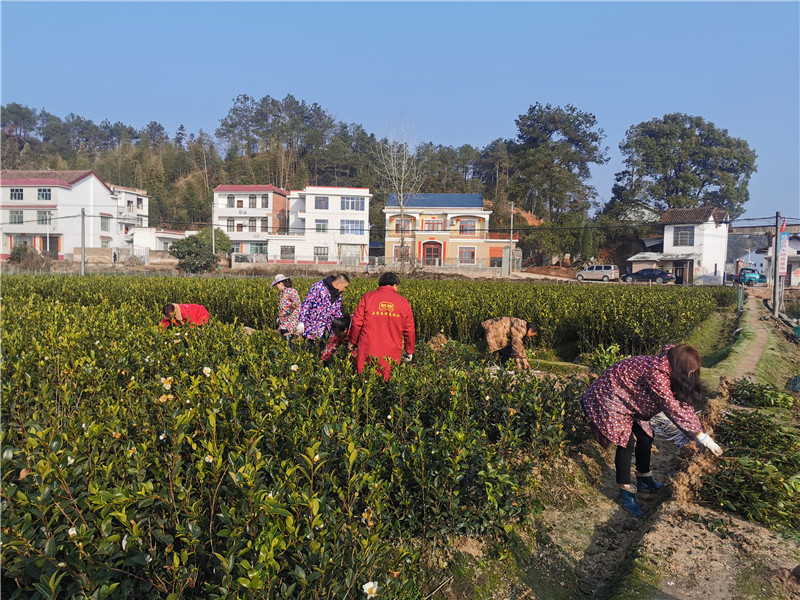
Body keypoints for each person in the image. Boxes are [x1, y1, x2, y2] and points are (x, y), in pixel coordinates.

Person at [581, 344, 723, 517]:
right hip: (610, 396)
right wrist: (699, 435)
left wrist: (701, 434)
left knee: (646, 436)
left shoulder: (669, 368)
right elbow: (672, 407)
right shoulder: (657, 374)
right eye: (690, 372)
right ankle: (625, 492)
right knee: (626, 442)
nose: (692, 375)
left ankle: (644, 480)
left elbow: (682, 404)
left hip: (630, 397)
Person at [348, 272, 415, 381]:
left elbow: (356, 322)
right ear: (395, 285)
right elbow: (410, 330)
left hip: (368, 348)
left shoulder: (368, 297)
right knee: (388, 381)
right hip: (392, 351)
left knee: (366, 383)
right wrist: (409, 350)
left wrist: (352, 341)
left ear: (380, 285)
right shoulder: (404, 302)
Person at [297, 273, 350, 348]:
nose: (344, 290)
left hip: (326, 331)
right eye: (345, 287)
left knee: (322, 353)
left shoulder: (339, 296)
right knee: (308, 351)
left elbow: (337, 311)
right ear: (338, 283)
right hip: (311, 328)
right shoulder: (318, 287)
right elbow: (307, 304)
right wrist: (301, 321)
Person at [270, 274, 302, 343]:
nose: (276, 286)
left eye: (277, 284)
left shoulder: (291, 291)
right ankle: (288, 348)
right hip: (284, 318)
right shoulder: (282, 293)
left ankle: (291, 348)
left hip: (292, 317)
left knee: (286, 331)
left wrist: (291, 306)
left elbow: (297, 303)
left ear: (281, 283)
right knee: (282, 334)